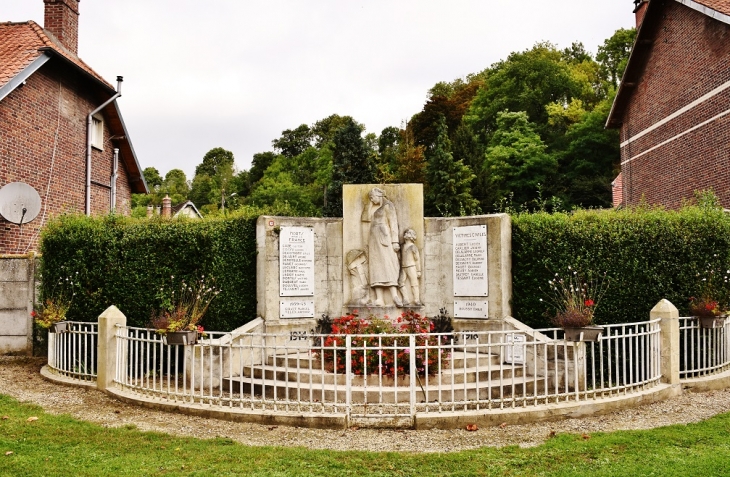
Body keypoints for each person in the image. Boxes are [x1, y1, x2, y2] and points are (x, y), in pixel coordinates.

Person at [364, 188, 402, 307]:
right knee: (376, 268)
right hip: (374, 241)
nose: (371, 199)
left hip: (385, 239)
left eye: (372, 197)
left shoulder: (388, 206)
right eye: (370, 198)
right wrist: (369, 204)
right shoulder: (374, 208)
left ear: (379, 195)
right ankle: (379, 298)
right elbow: (365, 218)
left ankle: (395, 296)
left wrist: (395, 241)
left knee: (389, 265)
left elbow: (393, 223)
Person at [399, 228, 422, 306]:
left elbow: (417, 259)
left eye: (408, 233)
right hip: (403, 267)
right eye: (405, 233)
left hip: (411, 267)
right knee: (400, 283)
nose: (405, 234)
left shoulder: (413, 247)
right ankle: (405, 299)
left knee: (414, 284)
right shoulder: (402, 246)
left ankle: (416, 299)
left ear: (411, 236)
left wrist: (418, 270)